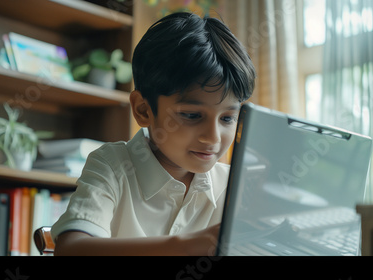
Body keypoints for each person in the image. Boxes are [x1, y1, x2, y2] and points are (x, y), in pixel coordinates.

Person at [52, 11, 256, 256]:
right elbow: (71, 249)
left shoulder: (233, 185)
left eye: (227, 118)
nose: (212, 138)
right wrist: (188, 245)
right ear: (143, 110)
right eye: (192, 115)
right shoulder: (113, 166)